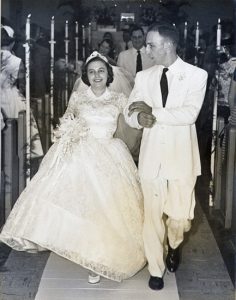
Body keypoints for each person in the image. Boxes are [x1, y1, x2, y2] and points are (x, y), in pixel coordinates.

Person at [0, 51, 145, 284]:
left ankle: (99, 257)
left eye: (100, 71)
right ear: (85, 76)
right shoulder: (78, 97)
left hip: (109, 155)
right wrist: (68, 133)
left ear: (109, 74)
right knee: (82, 206)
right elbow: (67, 119)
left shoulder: (118, 98)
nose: (96, 75)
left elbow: (131, 119)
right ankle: (85, 252)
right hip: (80, 154)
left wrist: (142, 116)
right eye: (91, 72)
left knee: (104, 208)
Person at [124, 22, 208, 290]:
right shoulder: (144, 77)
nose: (146, 50)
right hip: (151, 159)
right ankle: (155, 269)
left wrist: (153, 112)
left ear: (168, 45)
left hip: (182, 158)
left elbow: (189, 114)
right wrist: (139, 118)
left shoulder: (197, 75)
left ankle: (174, 245)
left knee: (180, 219)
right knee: (151, 216)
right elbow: (130, 110)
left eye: (151, 45)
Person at [1, 25, 43, 159]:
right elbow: (22, 85)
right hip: (11, 98)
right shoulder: (17, 61)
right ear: (12, 43)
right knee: (17, 133)